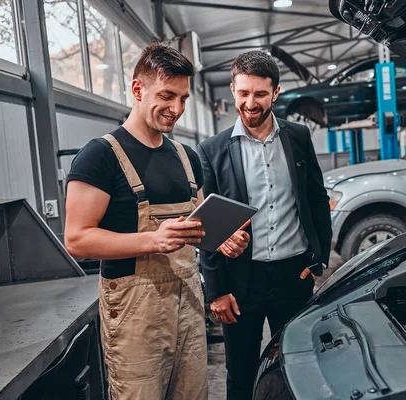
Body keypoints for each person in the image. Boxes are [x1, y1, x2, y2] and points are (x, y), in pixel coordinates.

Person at [63, 43, 250, 400]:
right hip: (136, 314)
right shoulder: (100, 156)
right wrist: (153, 240)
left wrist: (221, 239)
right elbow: (76, 239)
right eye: (167, 96)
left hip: (188, 304)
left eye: (183, 99)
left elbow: (195, 225)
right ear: (138, 89)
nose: (176, 109)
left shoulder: (186, 157)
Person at [197, 50, 333, 400]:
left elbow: (317, 200)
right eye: (243, 93)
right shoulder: (212, 151)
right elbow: (207, 227)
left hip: (294, 275)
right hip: (241, 282)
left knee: (298, 365)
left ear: (275, 92)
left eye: (259, 93)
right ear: (232, 90)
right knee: (240, 372)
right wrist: (216, 291)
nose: (250, 102)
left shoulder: (298, 137)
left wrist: (318, 260)